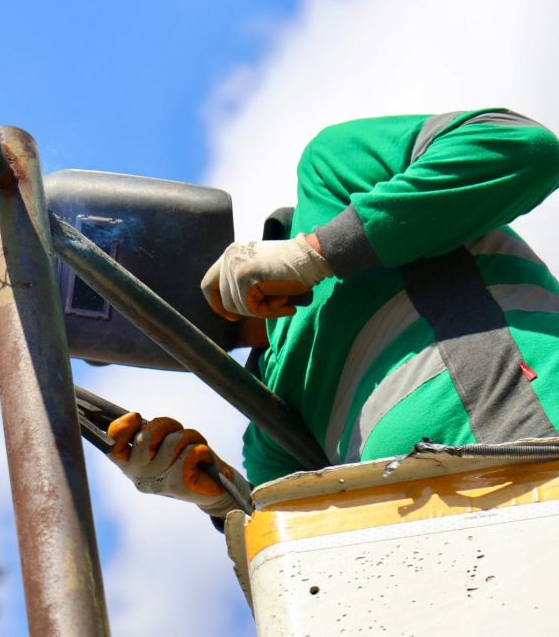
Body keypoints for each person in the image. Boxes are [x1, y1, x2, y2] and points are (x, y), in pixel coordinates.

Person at [108, 108, 559, 519]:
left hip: (537, 459)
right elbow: (308, 581)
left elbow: (520, 144)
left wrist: (317, 253)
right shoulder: (270, 424)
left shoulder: (330, 175)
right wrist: (220, 500)